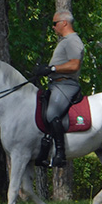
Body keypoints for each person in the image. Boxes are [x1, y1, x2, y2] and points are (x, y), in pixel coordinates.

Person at [34, 11, 84, 167]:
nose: (53, 27)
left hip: (66, 85)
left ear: (64, 23)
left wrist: (52, 69)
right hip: (56, 84)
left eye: (55, 23)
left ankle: (60, 154)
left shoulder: (72, 41)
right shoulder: (65, 41)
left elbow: (75, 64)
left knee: (51, 114)